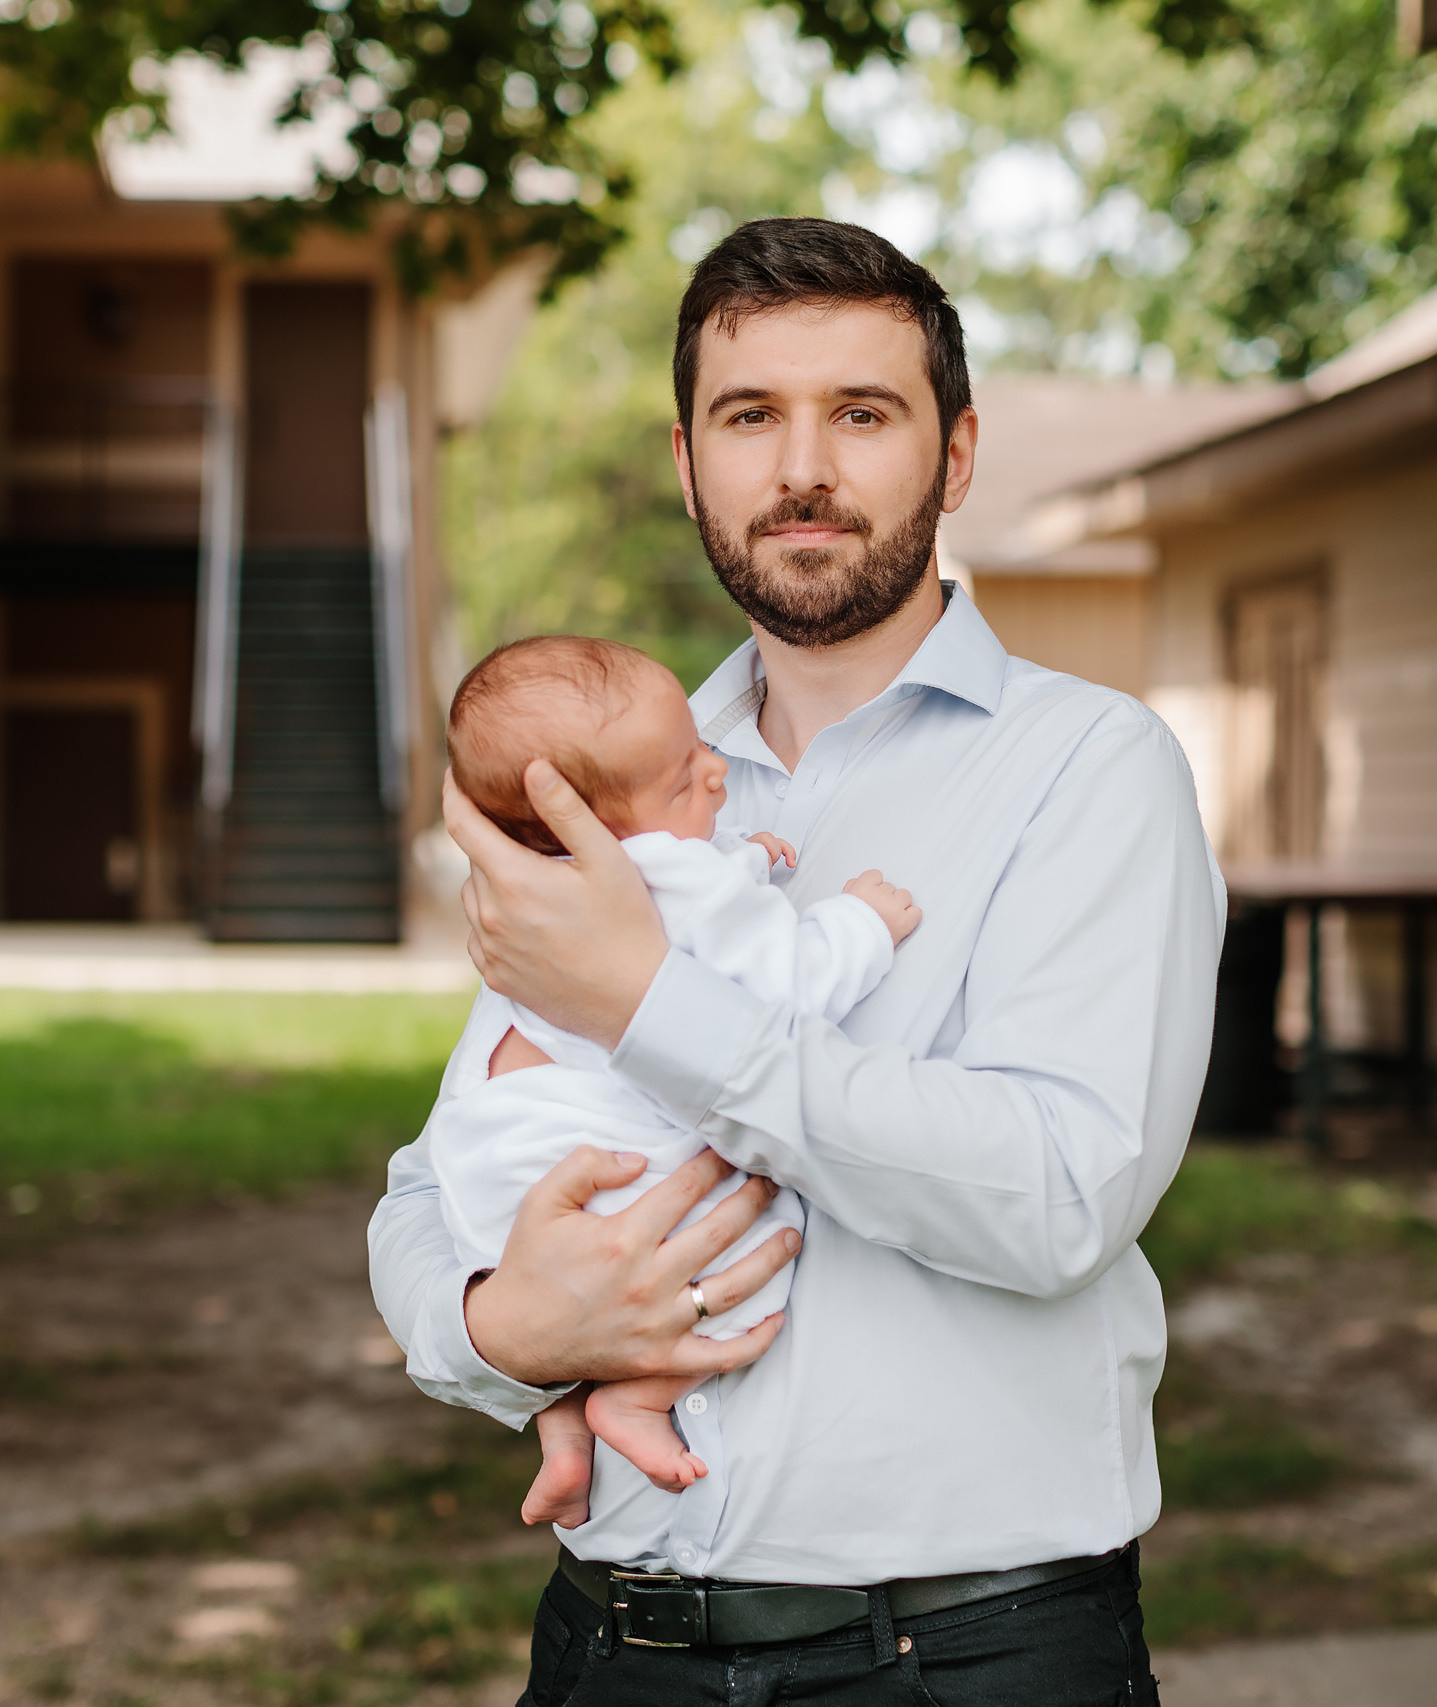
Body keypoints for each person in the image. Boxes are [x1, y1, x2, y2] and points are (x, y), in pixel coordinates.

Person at [370, 217, 1222, 1706]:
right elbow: (442, 1172)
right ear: (688, 460)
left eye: (863, 413)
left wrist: (655, 1008)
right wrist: (499, 1326)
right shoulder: (612, 787)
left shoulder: (1091, 766)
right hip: (614, 1646)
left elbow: (1059, 1194)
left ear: (955, 456)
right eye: (751, 415)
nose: (802, 467)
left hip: (956, 1656)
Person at [432, 633, 922, 1527]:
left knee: (567, 1298)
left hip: (493, 1171)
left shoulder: (540, 889)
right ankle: (638, 1396)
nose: (715, 772)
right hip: (603, 1158)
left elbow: (677, 882)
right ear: (590, 823)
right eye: (681, 778)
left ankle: (563, 1422)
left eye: (702, 743)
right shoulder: (676, 872)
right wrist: (862, 922)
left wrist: (741, 855)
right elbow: (787, 979)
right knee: (750, 1228)